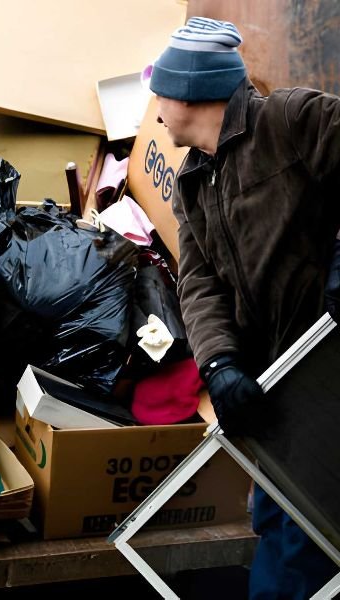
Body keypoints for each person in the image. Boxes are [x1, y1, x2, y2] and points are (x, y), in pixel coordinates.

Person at [149, 16, 340, 600]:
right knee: (275, 520)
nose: (153, 103)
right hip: (271, 384)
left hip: (323, 370)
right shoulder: (192, 182)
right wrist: (220, 365)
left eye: (159, 88)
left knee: (299, 548)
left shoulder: (289, 119)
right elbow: (199, 284)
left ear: (187, 91)